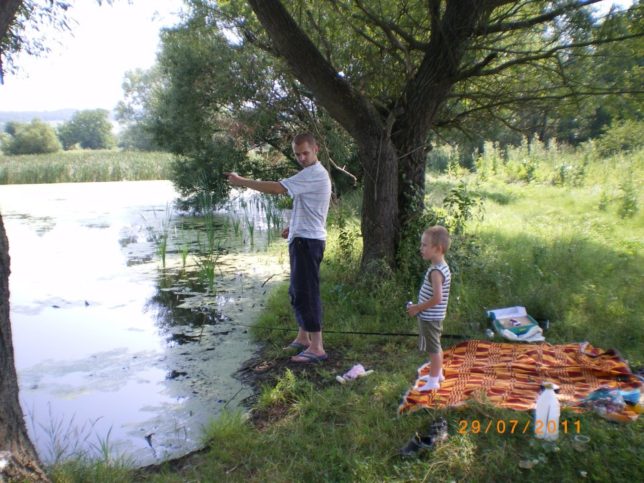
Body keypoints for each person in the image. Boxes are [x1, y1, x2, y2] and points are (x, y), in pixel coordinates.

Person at [225, 133, 332, 363]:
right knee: (297, 291)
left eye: (306, 152)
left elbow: (277, 188)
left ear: (316, 150)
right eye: (297, 154)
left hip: (308, 242)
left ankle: (317, 348)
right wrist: (292, 226)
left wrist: (241, 181)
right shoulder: (308, 174)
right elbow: (308, 206)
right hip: (302, 237)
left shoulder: (314, 174)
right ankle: (303, 337)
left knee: (307, 293)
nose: (302, 157)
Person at [406, 225, 452, 391]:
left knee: (433, 350)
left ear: (437, 249)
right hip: (433, 316)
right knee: (436, 346)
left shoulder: (436, 272)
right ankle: (437, 374)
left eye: (425, 245)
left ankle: (433, 382)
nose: (421, 248)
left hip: (431, 317)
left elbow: (437, 298)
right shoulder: (440, 267)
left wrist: (417, 308)